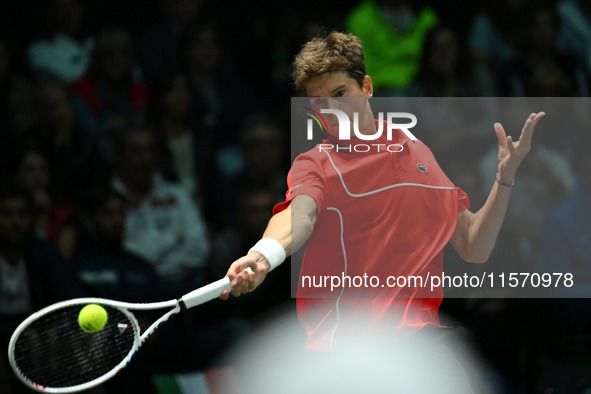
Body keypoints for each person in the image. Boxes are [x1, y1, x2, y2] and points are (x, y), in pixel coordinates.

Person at [222, 31, 543, 388]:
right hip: (348, 354)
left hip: (419, 346)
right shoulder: (316, 163)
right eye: (319, 102)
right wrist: (264, 254)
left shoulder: (417, 151)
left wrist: (504, 180)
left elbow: (473, 245)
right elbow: (301, 215)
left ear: (367, 88)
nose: (331, 110)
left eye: (340, 94)